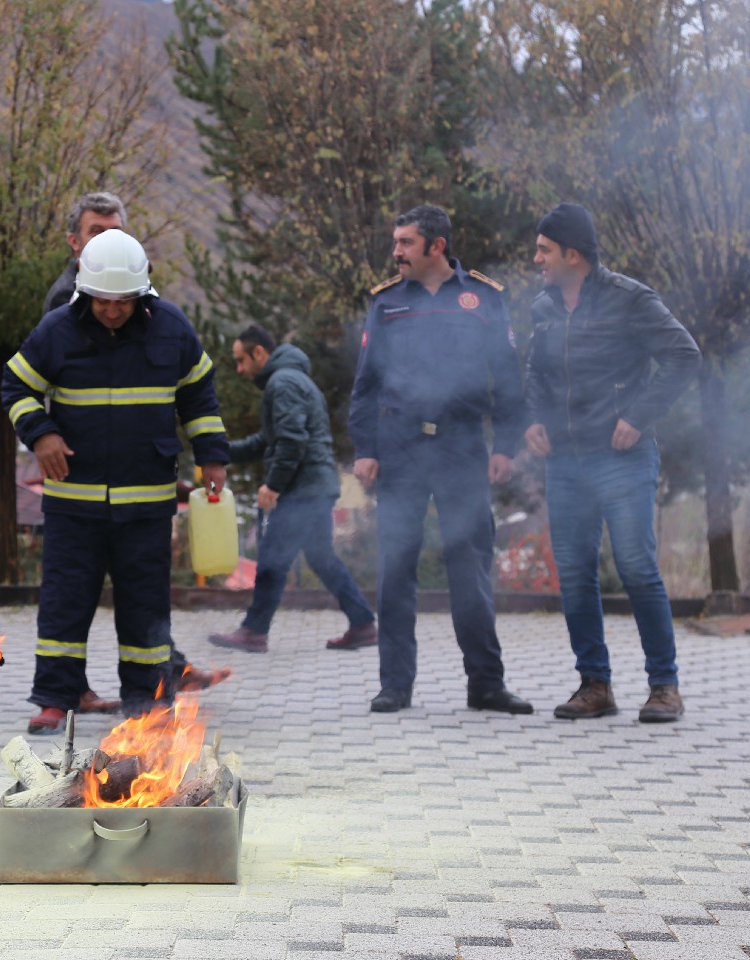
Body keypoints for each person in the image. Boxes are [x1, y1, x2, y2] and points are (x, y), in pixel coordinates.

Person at [3, 230, 230, 734]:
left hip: (146, 503)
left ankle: (147, 699)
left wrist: (212, 457)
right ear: (86, 292)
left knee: (145, 606)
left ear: (141, 293)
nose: (111, 311)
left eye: (122, 301)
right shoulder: (57, 330)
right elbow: (16, 385)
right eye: (102, 301)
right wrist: (40, 434)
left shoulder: (171, 328)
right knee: (64, 602)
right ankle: (55, 699)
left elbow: (199, 396)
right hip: (73, 502)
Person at [349, 205, 532, 716]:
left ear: (437, 246)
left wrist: (505, 446)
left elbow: (508, 379)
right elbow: (365, 384)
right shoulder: (387, 303)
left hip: (462, 448)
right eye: (396, 242)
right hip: (400, 448)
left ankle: (487, 685)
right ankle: (395, 686)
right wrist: (365, 449)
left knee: (470, 567)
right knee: (396, 568)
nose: (397, 252)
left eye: (406, 243)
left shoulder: (483, 299)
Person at [524, 202, 701, 723]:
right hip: (566, 462)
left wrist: (640, 416)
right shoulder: (545, 308)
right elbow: (537, 371)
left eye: (544, 250)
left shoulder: (630, 299)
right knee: (576, 574)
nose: (536, 258)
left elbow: (684, 355)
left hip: (622, 457)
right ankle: (594, 685)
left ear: (573, 255)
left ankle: (664, 687)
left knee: (637, 568)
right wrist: (533, 419)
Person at [208, 325, 376, 653]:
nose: (240, 370)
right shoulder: (290, 379)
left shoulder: (282, 382)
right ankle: (363, 624)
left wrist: (274, 484)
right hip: (316, 484)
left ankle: (254, 632)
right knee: (322, 558)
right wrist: (220, 453)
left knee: (272, 558)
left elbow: (291, 440)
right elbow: (270, 440)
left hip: (303, 488)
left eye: (242, 360)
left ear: (260, 353)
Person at [43, 191, 126, 314]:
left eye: (115, 232)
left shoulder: (130, 285)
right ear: (74, 241)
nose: (109, 239)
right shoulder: (67, 296)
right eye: (97, 232)